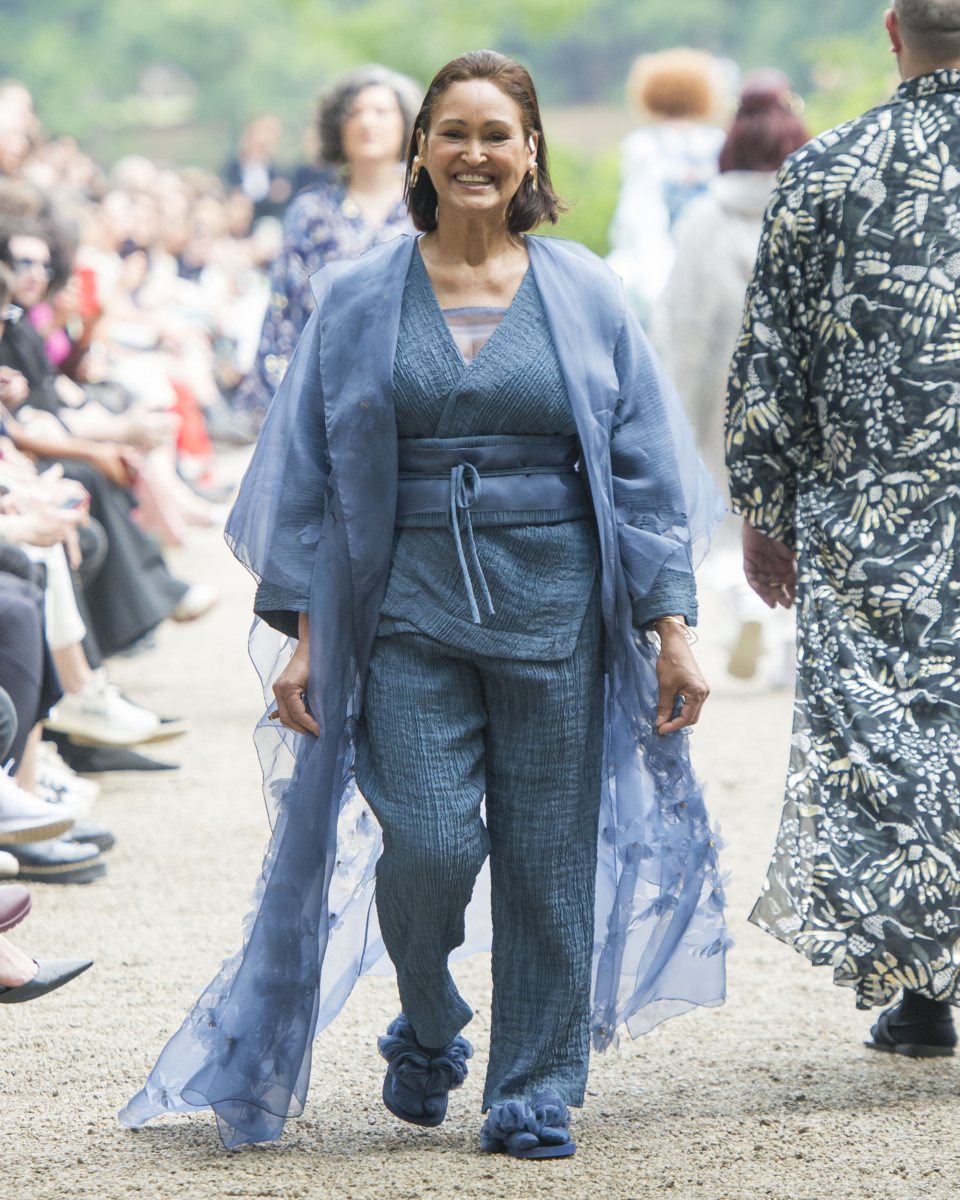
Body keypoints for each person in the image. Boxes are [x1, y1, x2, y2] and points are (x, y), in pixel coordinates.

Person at [122, 50, 728, 1156]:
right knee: (432, 844)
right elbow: (305, 471)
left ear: (531, 149)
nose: (476, 153)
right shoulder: (359, 296)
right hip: (403, 606)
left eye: (497, 132)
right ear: (421, 149)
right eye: (453, 131)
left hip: (555, 606)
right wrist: (303, 636)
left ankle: (534, 1084)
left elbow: (642, 474)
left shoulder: (587, 290)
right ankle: (433, 1014)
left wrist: (672, 629)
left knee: (549, 860)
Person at [726, 0, 960, 1056]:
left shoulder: (825, 170)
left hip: (875, 517)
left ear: (891, 31)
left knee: (892, 744)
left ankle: (924, 988)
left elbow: (770, 357)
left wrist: (763, 511)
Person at [653, 71, 809, 683]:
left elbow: (677, 321)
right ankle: (797, 644)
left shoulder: (704, 218)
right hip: (800, 389)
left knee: (722, 515)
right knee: (799, 511)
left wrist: (675, 407)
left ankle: (746, 604)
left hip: (721, 386)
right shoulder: (814, 205)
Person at [233, 65, 420, 425]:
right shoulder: (311, 211)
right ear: (338, 128)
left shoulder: (431, 207)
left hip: (416, 393)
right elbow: (284, 311)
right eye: (354, 112)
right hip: (326, 396)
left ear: (406, 124)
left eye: (381, 111)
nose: (367, 122)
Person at [606, 48, 727, 327]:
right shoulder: (716, 141)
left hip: (653, 258)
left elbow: (635, 212)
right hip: (709, 257)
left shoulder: (642, 144)